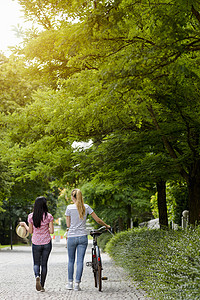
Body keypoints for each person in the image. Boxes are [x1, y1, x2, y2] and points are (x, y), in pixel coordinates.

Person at [65, 188, 111, 291]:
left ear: (72, 197)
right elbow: (98, 220)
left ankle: (70, 284)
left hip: (72, 237)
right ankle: (77, 284)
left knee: (71, 261)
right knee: (80, 261)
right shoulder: (86, 207)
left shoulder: (69, 208)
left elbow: (68, 225)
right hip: (82, 237)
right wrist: (106, 225)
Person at [20, 196, 54, 292]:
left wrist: (25, 225)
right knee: (44, 264)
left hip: (36, 242)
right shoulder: (49, 216)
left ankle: (37, 276)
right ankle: (42, 286)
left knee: (36, 263)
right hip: (47, 242)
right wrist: (45, 228)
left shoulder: (31, 216)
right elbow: (51, 231)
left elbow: (30, 231)